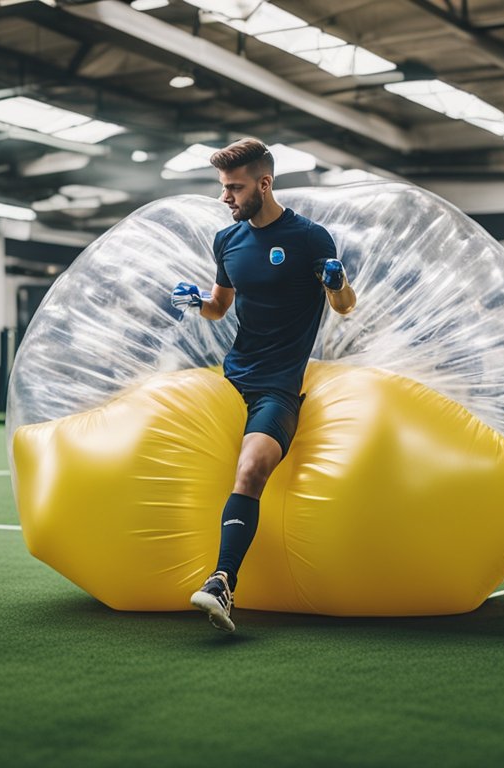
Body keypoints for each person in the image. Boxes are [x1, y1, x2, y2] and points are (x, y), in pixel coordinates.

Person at [170, 138, 357, 632]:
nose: (225, 198)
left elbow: (343, 306)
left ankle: (221, 584)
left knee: (251, 469)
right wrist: (195, 302)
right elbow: (220, 306)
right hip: (231, 378)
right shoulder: (226, 241)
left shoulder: (311, 238)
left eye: (234, 188)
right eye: (223, 188)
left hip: (277, 384)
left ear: (264, 184)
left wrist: (337, 283)